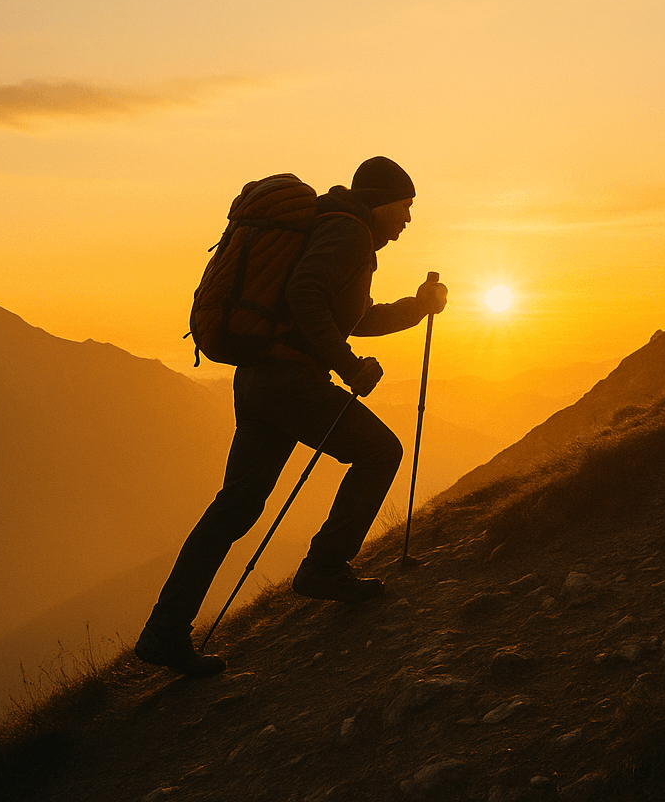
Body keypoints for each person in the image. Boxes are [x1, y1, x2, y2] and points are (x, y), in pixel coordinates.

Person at [135, 156, 448, 676]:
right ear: (381, 202)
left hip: (259, 377)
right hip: (288, 381)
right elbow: (306, 295)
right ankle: (324, 567)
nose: (408, 219)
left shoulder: (335, 228)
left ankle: (163, 632)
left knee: (234, 508)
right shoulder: (349, 233)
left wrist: (415, 308)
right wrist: (348, 366)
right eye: (406, 206)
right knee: (379, 451)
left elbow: (348, 315)